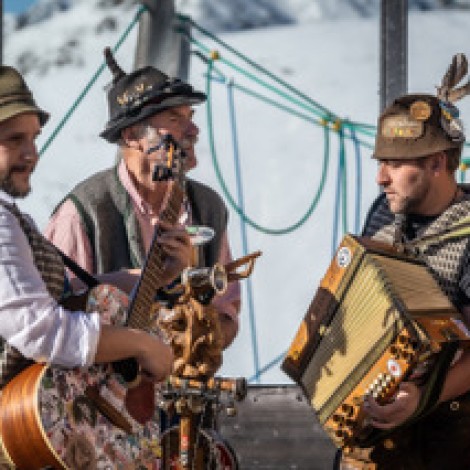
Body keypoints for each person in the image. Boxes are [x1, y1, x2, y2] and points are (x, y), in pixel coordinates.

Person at [0, 66, 193, 467]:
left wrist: (153, 275)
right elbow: (42, 330)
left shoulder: (10, 217)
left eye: (34, 138)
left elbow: (65, 295)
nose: (32, 153)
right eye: (14, 139)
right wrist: (144, 345)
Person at [45, 48, 240, 349]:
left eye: (190, 117)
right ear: (133, 134)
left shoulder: (208, 207)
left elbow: (227, 308)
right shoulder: (82, 213)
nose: (193, 130)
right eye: (175, 119)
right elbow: (56, 315)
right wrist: (132, 283)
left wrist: (201, 335)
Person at [341, 53, 470, 469]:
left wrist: (421, 398)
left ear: (436, 164)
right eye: (382, 163)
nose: (381, 178)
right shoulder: (383, 212)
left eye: (395, 165)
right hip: (374, 429)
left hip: (446, 437)